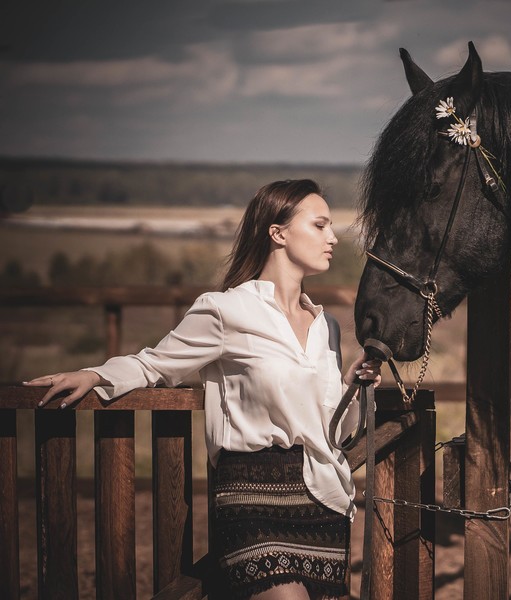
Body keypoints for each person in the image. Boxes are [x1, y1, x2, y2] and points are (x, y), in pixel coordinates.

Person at [24, 179, 381, 600]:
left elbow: (334, 432)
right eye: (320, 225)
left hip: (321, 498)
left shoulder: (327, 327)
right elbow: (154, 364)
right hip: (252, 494)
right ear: (278, 233)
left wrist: (350, 386)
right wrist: (95, 376)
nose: (333, 237)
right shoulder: (225, 310)